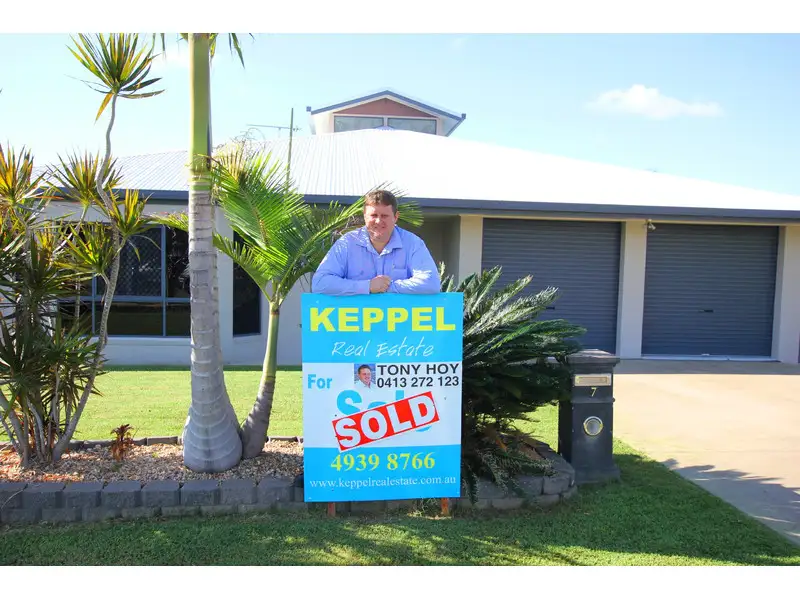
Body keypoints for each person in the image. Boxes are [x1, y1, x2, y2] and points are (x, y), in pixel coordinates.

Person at [312, 189, 440, 295]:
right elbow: (320, 283)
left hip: (399, 324)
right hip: (356, 323)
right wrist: (366, 286)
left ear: (396, 217)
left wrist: (388, 286)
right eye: (374, 215)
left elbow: (431, 283)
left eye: (384, 216)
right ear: (364, 216)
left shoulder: (413, 243)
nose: (378, 221)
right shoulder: (346, 243)